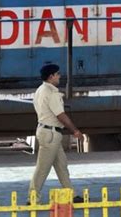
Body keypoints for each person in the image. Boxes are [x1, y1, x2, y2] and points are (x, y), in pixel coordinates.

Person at [28, 63, 84, 204]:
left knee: (61, 165)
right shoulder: (51, 93)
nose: (59, 76)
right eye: (57, 74)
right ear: (51, 76)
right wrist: (75, 130)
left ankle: (70, 193)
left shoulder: (40, 89)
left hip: (48, 132)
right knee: (43, 168)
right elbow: (61, 115)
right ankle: (33, 197)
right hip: (51, 133)